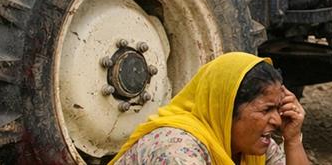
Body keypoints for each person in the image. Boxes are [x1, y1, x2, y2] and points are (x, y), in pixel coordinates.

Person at [109, 52, 310, 165]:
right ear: (226, 107)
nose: (276, 120)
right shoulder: (177, 151)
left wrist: (292, 140)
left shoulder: (252, 147)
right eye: (266, 110)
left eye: (277, 108)